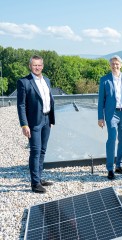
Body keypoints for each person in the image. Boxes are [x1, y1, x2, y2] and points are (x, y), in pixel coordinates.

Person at [17, 55, 55, 194]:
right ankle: (35, 184)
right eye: (34, 65)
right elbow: (21, 105)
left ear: (42, 66)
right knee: (35, 152)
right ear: (30, 66)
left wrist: (51, 119)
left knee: (43, 151)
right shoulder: (24, 82)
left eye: (39, 65)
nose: (37, 67)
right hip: (33, 123)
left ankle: (39, 178)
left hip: (46, 121)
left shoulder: (47, 81)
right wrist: (24, 125)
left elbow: (50, 100)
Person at [98, 55, 122, 180]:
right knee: (112, 139)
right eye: (113, 64)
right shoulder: (105, 80)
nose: (115, 66)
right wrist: (100, 117)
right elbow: (101, 101)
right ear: (110, 65)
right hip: (111, 114)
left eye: (117, 63)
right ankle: (110, 168)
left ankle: (119, 165)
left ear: (121, 64)